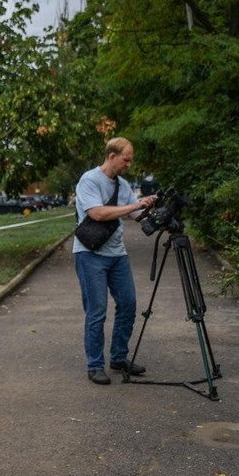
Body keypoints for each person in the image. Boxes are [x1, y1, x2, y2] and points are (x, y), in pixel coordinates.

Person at [73, 137, 157, 385]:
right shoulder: (89, 180)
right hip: (90, 255)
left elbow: (136, 213)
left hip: (117, 254)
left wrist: (151, 207)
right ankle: (95, 365)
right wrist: (133, 205)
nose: (128, 165)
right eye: (126, 160)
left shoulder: (123, 184)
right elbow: (97, 213)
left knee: (129, 304)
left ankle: (119, 357)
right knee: (97, 311)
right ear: (112, 156)